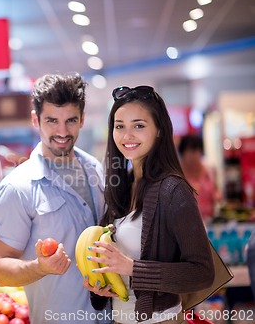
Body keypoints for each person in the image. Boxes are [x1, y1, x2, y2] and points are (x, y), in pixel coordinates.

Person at [85, 86, 214, 323]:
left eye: (139, 125)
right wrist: (101, 287)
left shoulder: (173, 190)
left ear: (159, 131)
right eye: (119, 126)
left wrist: (133, 268)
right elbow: (121, 268)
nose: (127, 135)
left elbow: (202, 273)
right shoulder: (121, 188)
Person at [0, 73, 109, 323]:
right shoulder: (17, 188)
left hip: (110, 316)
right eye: (52, 121)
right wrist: (38, 268)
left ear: (82, 119)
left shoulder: (95, 169)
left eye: (71, 121)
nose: (62, 132)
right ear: (36, 120)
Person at [178, 134, 221, 224]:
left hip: (210, 223)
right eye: (190, 152)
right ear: (182, 154)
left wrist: (217, 196)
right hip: (186, 225)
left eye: (197, 152)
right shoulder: (177, 176)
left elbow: (216, 191)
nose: (194, 156)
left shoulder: (210, 170)